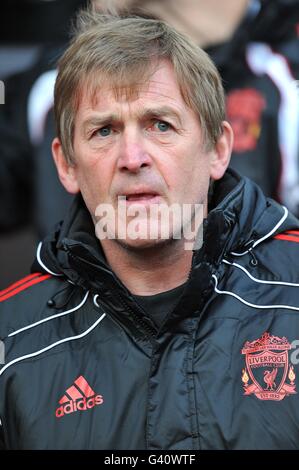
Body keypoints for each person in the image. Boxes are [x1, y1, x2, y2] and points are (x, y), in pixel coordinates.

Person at [1, 7, 299, 450]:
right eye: (104, 131)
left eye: (160, 125)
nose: (133, 157)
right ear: (65, 163)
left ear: (218, 148)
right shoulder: (11, 342)